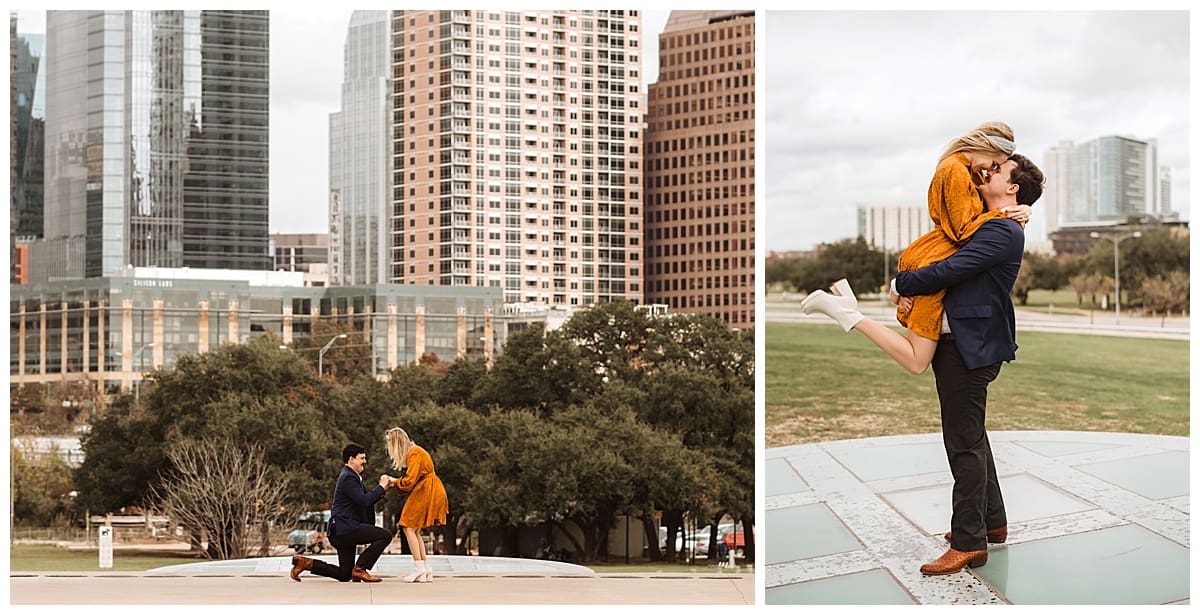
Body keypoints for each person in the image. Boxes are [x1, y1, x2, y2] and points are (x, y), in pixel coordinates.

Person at [809, 154, 1046, 575]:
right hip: (964, 341)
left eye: (997, 172)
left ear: (1012, 188)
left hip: (968, 347)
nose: (986, 173)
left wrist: (901, 283)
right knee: (973, 436)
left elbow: (952, 269)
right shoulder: (992, 222)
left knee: (963, 445)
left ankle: (970, 543)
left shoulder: (1003, 230)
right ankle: (993, 522)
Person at [800, 122, 1031, 375]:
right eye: (996, 163)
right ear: (989, 148)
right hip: (935, 256)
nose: (990, 171)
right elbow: (963, 231)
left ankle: (846, 311)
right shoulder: (954, 170)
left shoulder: (963, 171)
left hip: (935, 254)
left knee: (916, 360)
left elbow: (984, 222)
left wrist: (1022, 210)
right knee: (916, 360)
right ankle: (846, 313)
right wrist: (1001, 214)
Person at [290, 443, 393, 583]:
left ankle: (305, 563)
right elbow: (364, 501)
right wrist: (381, 487)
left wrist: (383, 489)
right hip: (345, 529)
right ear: (351, 459)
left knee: (345, 575)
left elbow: (362, 502)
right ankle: (360, 569)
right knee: (385, 535)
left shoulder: (350, 476)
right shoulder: (348, 477)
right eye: (362, 458)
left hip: (341, 531)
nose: (365, 461)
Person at [384, 427, 449, 583]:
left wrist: (393, 482)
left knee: (407, 526)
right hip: (430, 487)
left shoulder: (414, 453)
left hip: (427, 489)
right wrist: (397, 481)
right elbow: (411, 478)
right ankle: (425, 569)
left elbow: (409, 480)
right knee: (415, 530)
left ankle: (419, 569)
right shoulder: (416, 451)